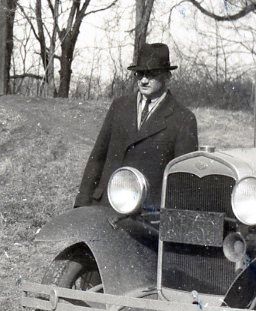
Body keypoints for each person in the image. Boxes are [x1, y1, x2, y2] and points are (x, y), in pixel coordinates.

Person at [75, 42, 198, 208]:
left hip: (147, 215)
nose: (144, 80)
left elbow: (182, 180)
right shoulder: (119, 106)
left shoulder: (183, 118)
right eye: (139, 74)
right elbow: (97, 157)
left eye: (151, 74)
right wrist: (81, 206)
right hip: (105, 205)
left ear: (167, 76)